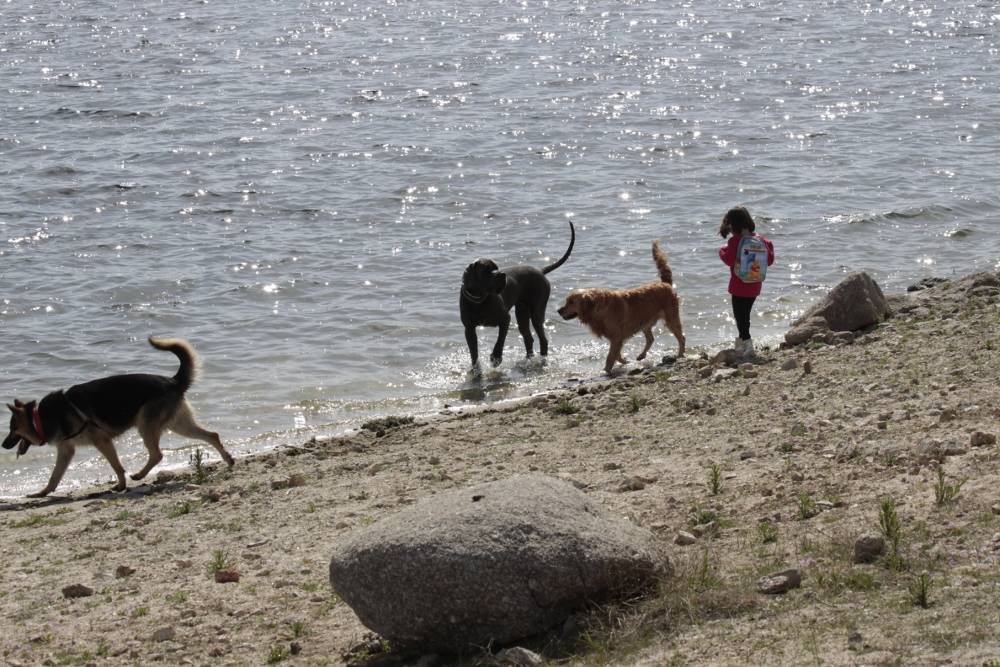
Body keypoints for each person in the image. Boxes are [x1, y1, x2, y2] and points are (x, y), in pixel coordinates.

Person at [718, 206, 774, 356]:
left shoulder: (735, 241)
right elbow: (769, 260)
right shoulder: (760, 239)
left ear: (732, 225)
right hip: (755, 285)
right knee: (745, 315)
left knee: (740, 317)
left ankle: (747, 344)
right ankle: (741, 343)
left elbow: (728, 259)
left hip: (738, 286)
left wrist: (721, 251)